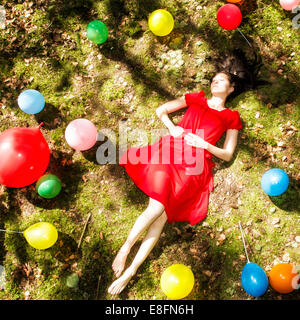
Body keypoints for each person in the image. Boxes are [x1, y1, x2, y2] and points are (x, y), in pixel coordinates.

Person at [107, 49, 267, 295]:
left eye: (221, 80)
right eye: (214, 78)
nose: (215, 81)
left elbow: (227, 154)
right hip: (171, 151)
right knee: (157, 207)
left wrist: (206, 146)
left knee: (161, 216)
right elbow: (161, 110)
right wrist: (172, 127)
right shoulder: (196, 98)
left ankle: (131, 271)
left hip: (194, 166)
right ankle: (126, 247)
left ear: (232, 88)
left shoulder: (231, 117)